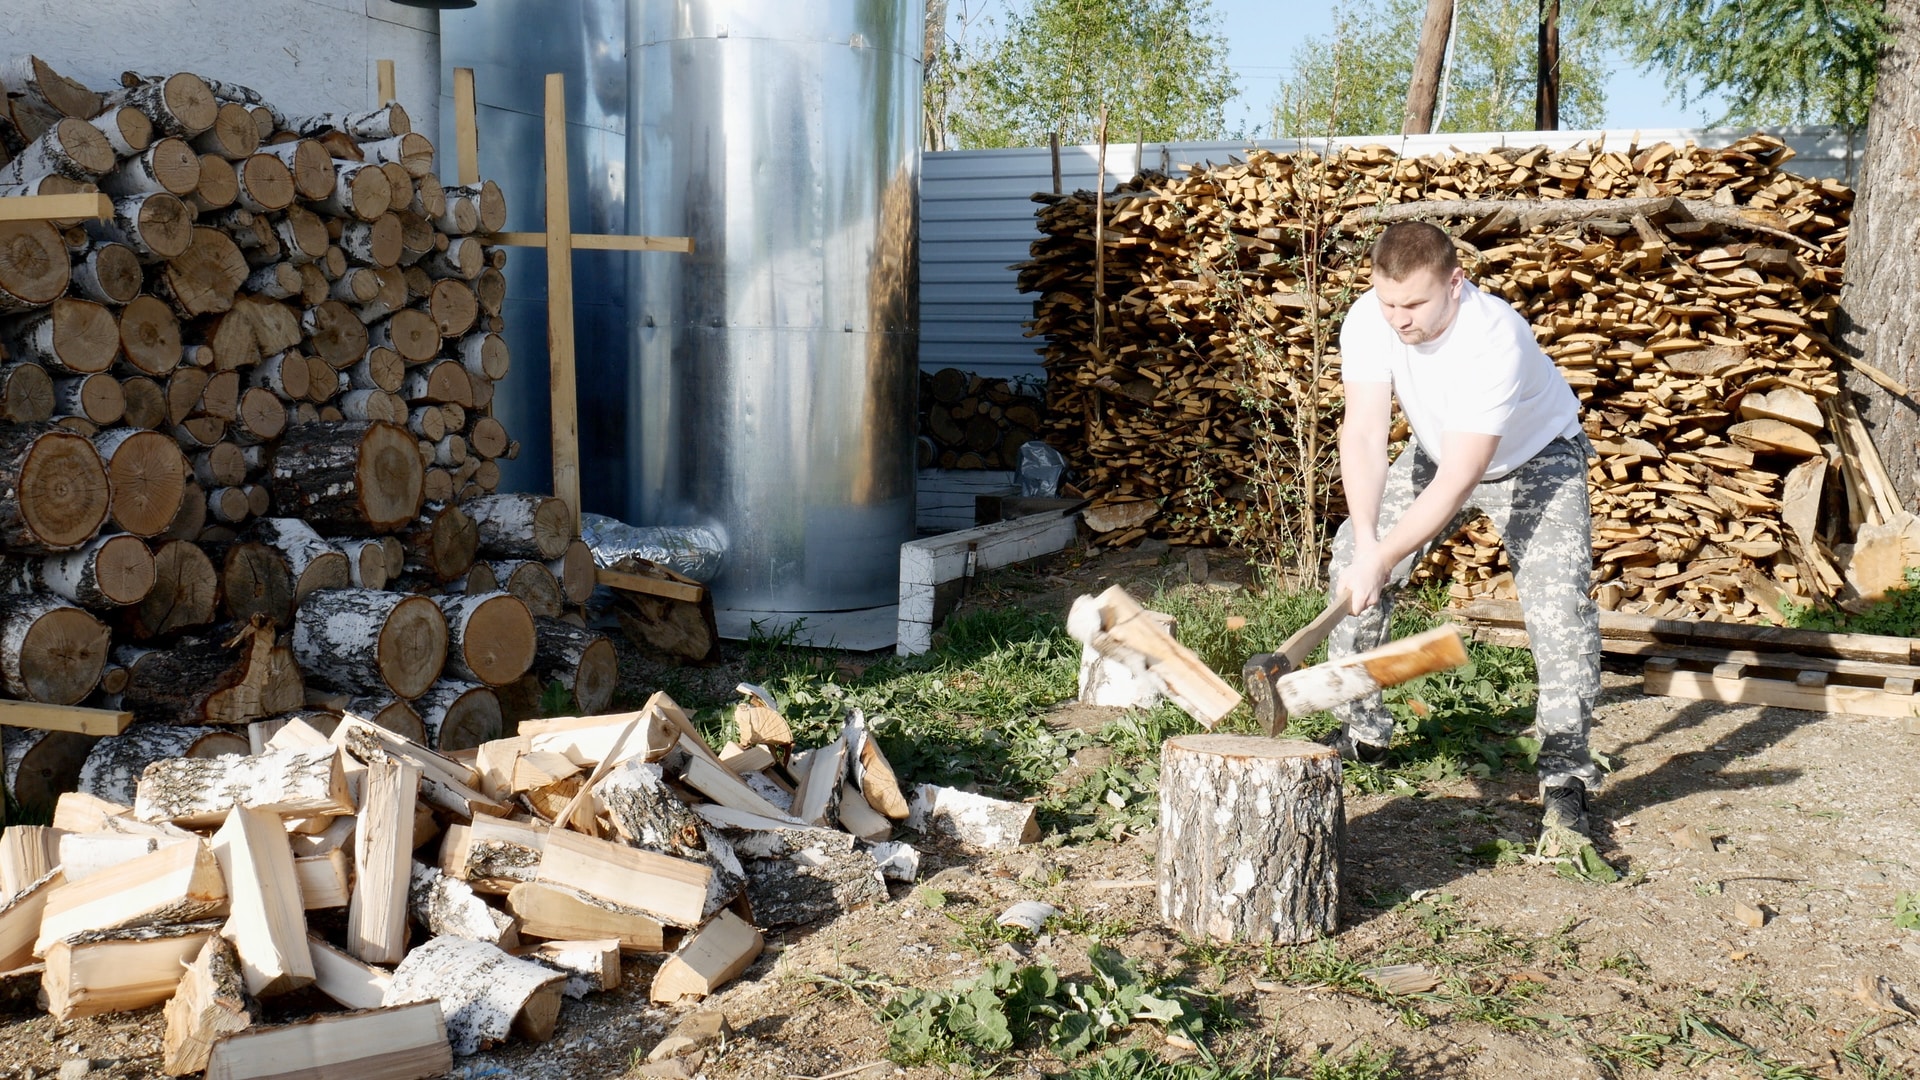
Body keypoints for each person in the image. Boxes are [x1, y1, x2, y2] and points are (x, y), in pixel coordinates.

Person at [1321, 220, 1601, 840]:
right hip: (1435, 449)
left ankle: (1565, 775)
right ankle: (1361, 730)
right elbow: (1364, 431)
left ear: (1455, 281)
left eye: (1416, 303)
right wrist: (1370, 546)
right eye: (1390, 301)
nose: (1400, 318)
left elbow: (1460, 478)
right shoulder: (1371, 317)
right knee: (1352, 564)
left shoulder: (1493, 335)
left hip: (1535, 459)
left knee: (1558, 606)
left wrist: (1385, 553)